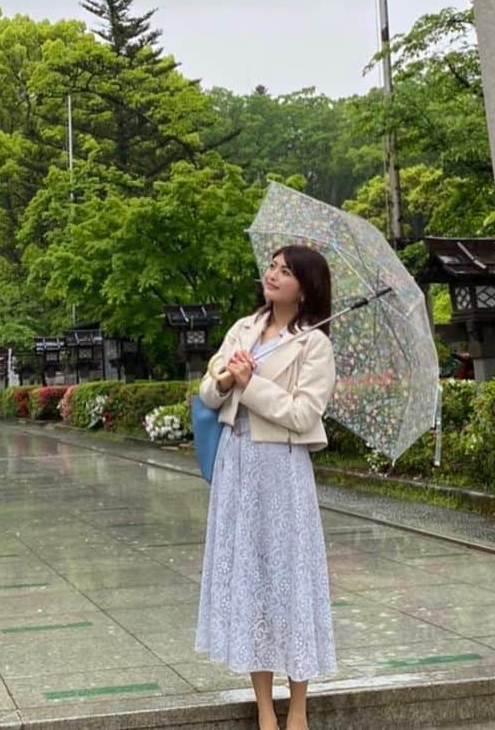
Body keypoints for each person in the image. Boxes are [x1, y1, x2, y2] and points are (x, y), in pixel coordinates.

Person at [195, 244, 337, 730]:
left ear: (306, 286)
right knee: (251, 579)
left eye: (285, 271)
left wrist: (251, 384)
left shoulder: (314, 344)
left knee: (290, 577)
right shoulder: (244, 328)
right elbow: (208, 389)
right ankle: (263, 709)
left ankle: (297, 708)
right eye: (272, 267)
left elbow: (303, 414)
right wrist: (226, 378)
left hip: (282, 468)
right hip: (238, 464)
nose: (273, 275)